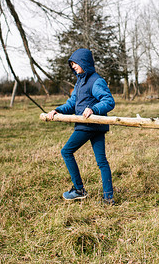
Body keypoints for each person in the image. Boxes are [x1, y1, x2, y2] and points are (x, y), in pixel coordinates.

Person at [47, 48, 116, 205]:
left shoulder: (96, 81)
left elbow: (109, 101)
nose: (73, 66)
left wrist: (94, 109)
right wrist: (57, 110)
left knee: (66, 151)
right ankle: (108, 198)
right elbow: (72, 104)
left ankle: (79, 190)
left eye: (75, 63)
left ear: (84, 62)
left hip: (89, 125)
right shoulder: (79, 83)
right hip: (93, 126)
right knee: (102, 161)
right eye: (71, 64)